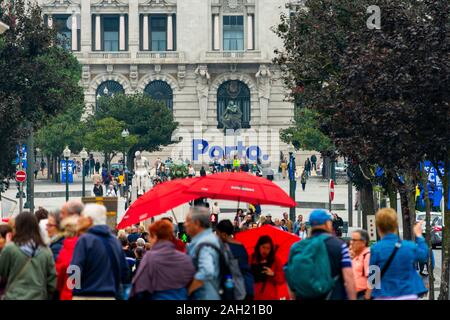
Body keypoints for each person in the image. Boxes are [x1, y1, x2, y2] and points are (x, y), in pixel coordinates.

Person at [286, 209, 356, 300]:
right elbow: (349, 277)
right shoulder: (339, 246)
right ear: (327, 223)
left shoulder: (297, 247)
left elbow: (290, 279)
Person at [70, 204, 130, 300]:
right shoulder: (115, 241)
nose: (79, 220)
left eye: (82, 217)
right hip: (109, 295)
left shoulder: (85, 240)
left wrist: (74, 289)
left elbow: (74, 269)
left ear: (89, 220)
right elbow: (124, 272)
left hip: (85, 295)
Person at [369, 208, 428, 300]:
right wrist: (419, 236)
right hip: (408, 294)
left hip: (384, 295)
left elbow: (373, 278)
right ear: (395, 225)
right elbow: (424, 255)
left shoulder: (376, 249)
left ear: (378, 227)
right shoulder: (408, 247)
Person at [130, 220, 195, 300]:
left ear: (156, 237)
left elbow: (139, 288)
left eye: (151, 236)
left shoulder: (150, 258)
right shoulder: (185, 258)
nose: (149, 239)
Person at [0, 212, 56, 300]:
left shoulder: (10, 248)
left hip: (14, 295)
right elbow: (52, 280)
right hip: (38, 296)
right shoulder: (46, 251)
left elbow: (2, 273)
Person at [184, 206, 221, 300]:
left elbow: (207, 271)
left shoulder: (205, 244)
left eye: (188, 221)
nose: (185, 224)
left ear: (197, 223)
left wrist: (188, 291)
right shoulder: (211, 239)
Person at [216, 220, 254, 300]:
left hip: (237, 290)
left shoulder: (226, 249)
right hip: (248, 286)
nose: (216, 237)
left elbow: (232, 272)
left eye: (217, 234)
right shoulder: (241, 246)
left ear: (223, 235)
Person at [250, 235, 285, 300]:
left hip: (270, 296)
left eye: (268, 248)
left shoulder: (275, 260)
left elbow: (282, 279)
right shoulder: (251, 258)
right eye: (263, 247)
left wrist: (273, 274)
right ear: (258, 247)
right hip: (253, 295)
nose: (265, 250)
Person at [55, 216, 79, 300]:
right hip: (84, 294)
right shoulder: (86, 247)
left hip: (67, 294)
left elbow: (59, 277)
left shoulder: (64, 251)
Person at [350, 229, 371, 300]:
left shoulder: (368, 255)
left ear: (363, 242)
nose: (351, 242)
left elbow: (374, 280)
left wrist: (367, 297)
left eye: (354, 240)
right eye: (351, 240)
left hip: (363, 295)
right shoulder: (357, 256)